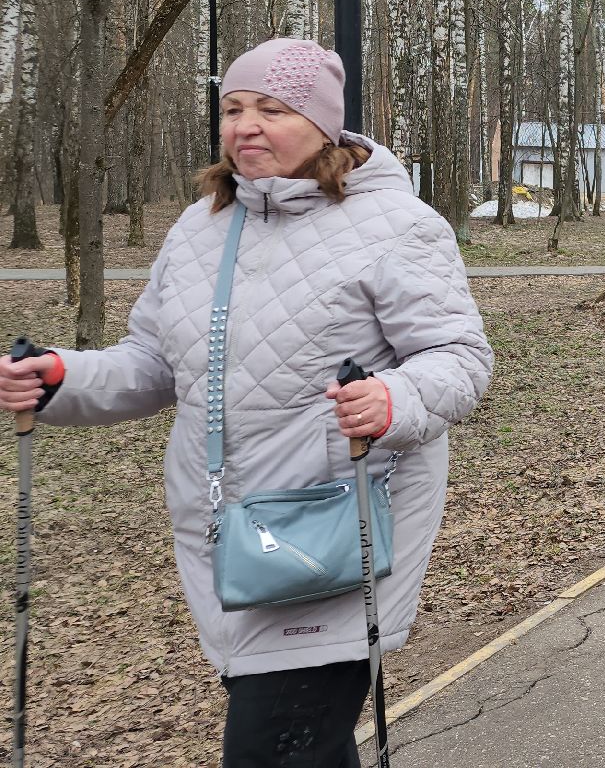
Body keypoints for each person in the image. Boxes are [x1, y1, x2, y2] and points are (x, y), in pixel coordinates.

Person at [0, 38, 493, 767]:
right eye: (233, 109)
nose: (245, 126)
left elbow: (461, 359)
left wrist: (395, 397)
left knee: (273, 750)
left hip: (336, 533)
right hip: (226, 540)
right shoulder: (200, 228)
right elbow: (152, 365)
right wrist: (59, 379)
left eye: (273, 109)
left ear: (324, 125)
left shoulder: (397, 225)